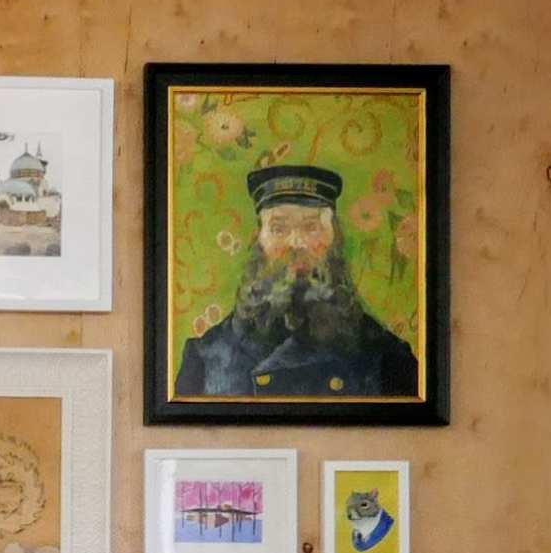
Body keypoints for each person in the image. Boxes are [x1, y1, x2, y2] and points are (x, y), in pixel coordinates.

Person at [171, 162, 419, 405]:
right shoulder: (206, 357)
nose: (296, 243)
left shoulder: (386, 357)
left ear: (335, 238)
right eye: (278, 229)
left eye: (311, 227)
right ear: (259, 241)